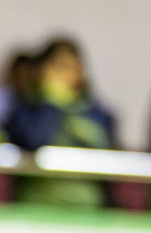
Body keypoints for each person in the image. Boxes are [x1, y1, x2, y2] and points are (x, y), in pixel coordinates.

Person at [7, 38, 118, 208]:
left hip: (90, 207)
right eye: (58, 67)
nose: (64, 75)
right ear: (43, 71)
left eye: (70, 68)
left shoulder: (97, 114)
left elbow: (107, 153)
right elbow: (35, 140)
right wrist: (52, 103)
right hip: (37, 205)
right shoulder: (26, 110)